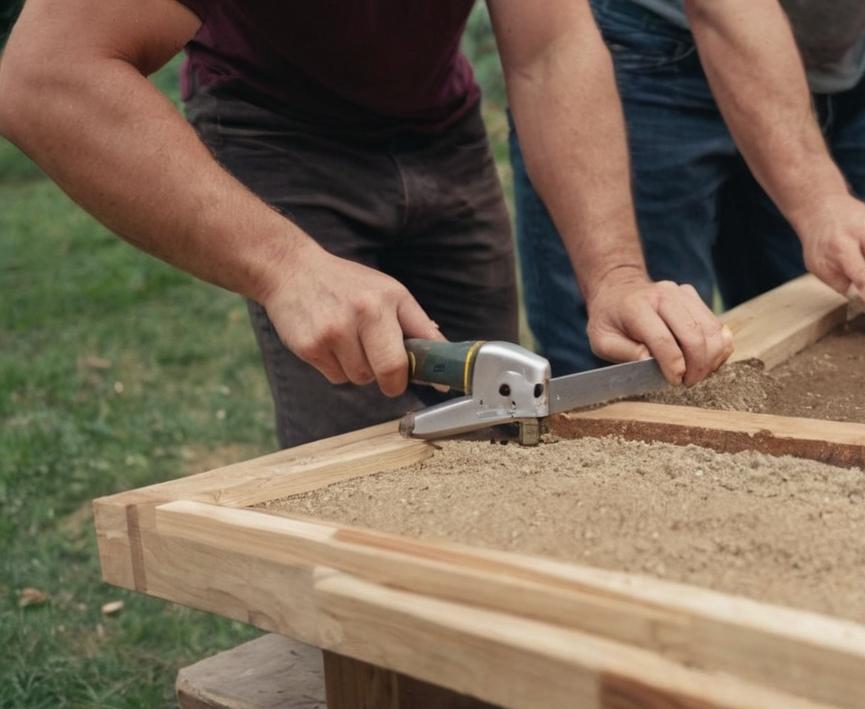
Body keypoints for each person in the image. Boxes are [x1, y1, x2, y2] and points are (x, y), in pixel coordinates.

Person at [0, 0, 733, 448]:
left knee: (493, 428)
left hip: (438, 123)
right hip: (274, 129)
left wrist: (615, 276)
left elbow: (551, 48)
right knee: (356, 470)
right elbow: (47, 78)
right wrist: (288, 267)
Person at [512, 0, 865, 375]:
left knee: (847, 341)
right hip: (643, 55)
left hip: (835, 68)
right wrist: (820, 198)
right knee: (638, 360)